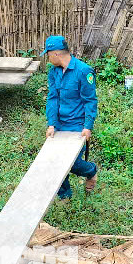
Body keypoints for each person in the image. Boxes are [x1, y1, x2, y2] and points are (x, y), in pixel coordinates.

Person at [43, 35, 98, 201]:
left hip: (77, 125)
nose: (48, 58)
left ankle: (91, 171)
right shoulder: (54, 72)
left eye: (48, 54)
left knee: (71, 163)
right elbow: (52, 98)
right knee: (54, 161)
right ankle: (64, 195)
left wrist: (87, 126)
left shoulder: (83, 71)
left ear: (56, 54)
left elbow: (90, 101)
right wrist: (52, 124)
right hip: (60, 123)